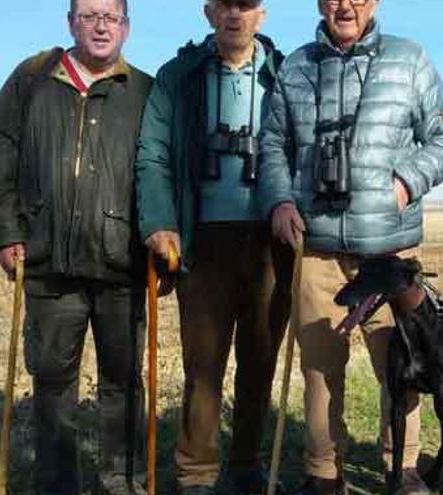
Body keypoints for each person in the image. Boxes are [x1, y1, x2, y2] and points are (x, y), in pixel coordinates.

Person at [258, 1, 443, 493]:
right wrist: (280, 200)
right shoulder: (297, 66)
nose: (344, 5)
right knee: (319, 366)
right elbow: (273, 143)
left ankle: (405, 464)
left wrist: (407, 180)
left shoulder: (408, 59)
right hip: (318, 247)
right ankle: (324, 469)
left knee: (403, 364)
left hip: (390, 255)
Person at [0, 1, 152, 493]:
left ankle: (125, 481)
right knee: (52, 384)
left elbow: (162, 169)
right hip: (48, 262)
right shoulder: (31, 79)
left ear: (126, 28)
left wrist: (163, 238)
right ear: (71, 22)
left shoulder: (144, 90)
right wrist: (4, 233)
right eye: (89, 15)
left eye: (110, 17)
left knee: (123, 381)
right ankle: (56, 484)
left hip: (123, 265)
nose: (100, 25)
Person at [134, 1, 291, 494]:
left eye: (246, 5)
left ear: (261, 15)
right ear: (208, 12)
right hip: (201, 240)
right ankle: (197, 473)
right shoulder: (178, 76)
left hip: (270, 240)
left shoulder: (289, 75)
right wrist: (160, 222)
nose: (235, 15)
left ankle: (246, 465)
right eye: (225, 4)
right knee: (203, 365)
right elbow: (152, 153)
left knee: (260, 360)